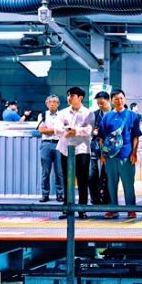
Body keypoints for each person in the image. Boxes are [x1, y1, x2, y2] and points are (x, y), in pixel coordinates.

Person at [99, 89, 141, 219]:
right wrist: (102, 154)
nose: (119, 101)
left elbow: (135, 137)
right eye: (116, 99)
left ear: (125, 99)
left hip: (127, 155)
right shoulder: (107, 117)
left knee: (128, 184)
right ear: (112, 101)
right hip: (110, 157)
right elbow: (101, 137)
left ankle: (131, 209)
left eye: (121, 98)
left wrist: (134, 153)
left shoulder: (132, 116)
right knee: (111, 184)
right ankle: (113, 209)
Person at [56, 87, 94, 219]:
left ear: (80, 97)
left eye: (72, 95)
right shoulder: (62, 113)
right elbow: (57, 130)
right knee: (67, 179)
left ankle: (82, 208)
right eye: (68, 95)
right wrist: (72, 130)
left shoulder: (88, 113)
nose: (69, 98)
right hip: (65, 149)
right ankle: (67, 208)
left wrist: (75, 131)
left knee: (83, 179)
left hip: (82, 149)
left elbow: (88, 130)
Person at [36, 95, 65, 203]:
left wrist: (50, 130)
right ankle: (45, 194)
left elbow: (63, 130)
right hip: (46, 144)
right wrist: (56, 130)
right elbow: (41, 130)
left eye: (55, 102)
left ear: (58, 104)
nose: (52, 104)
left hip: (59, 144)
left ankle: (60, 194)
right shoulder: (42, 115)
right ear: (46, 103)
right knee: (45, 171)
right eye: (50, 102)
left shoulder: (62, 115)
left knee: (59, 171)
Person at [88, 91, 112, 207]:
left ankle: (106, 198)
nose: (100, 106)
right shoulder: (94, 114)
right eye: (98, 103)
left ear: (109, 100)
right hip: (95, 148)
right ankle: (94, 198)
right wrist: (94, 132)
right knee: (92, 174)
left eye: (102, 103)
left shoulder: (114, 114)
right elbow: (89, 130)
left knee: (106, 174)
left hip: (110, 149)